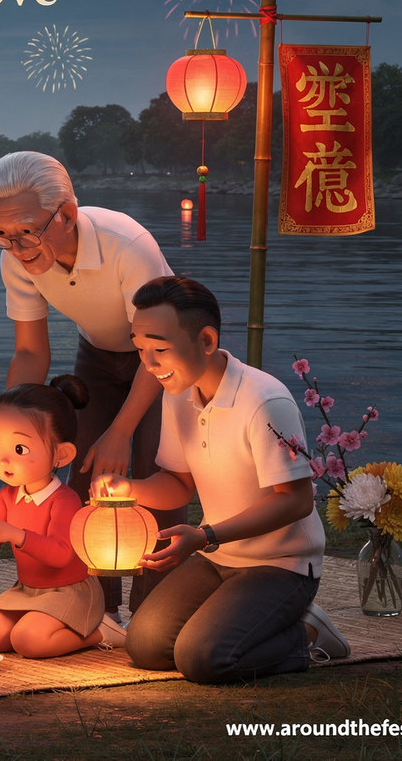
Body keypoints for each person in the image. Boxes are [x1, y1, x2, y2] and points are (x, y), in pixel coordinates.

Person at [93, 276, 351, 684]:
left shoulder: (264, 401)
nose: (149, 364)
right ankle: (248, 622)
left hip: (281, 564)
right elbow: (178, 483)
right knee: (144, 645)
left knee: (203, 659)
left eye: (160, 349)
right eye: (140, 349)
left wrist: (205, 535)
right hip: (218, 557)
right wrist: (130, 490)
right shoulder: (177, 394)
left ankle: (309, 633)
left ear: (207, 340)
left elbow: (296, 500)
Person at [0, 150, 180, 619]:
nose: (16, 246)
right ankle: (95, 605)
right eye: (1, 233)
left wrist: (121, 431)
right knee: (85, 472)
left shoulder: (127, 245)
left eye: (26, 231)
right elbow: (31, 352)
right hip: (98, 355)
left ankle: (157, 609)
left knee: (153, 475)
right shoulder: (17, 261)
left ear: (66, 215)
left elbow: (158, 349)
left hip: (164, 357)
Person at [0, 376, 128, 657]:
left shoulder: (64, 500)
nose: (3, 460)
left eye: (20, 449)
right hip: (28, 589)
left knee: (30, 641)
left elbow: (62, 554)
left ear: (62, 454)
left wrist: (16, 535)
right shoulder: (7, 496)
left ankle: (101, 632)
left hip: (70, 591)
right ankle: (40, 623)